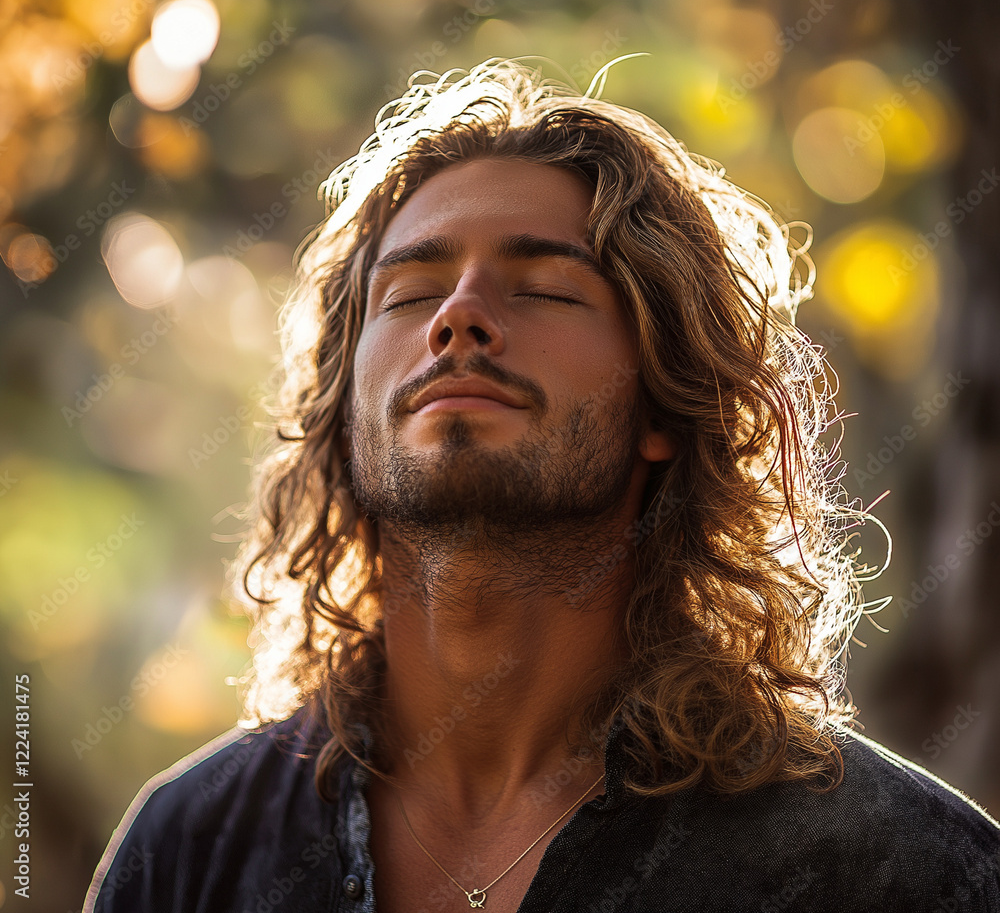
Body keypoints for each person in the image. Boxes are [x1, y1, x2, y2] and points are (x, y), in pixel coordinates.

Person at [85, 57, 1000, 913]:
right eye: (408, 294)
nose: (459, 318)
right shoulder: (190, 850)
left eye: (547, 289)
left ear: (664, 410)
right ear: (342, 409)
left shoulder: (888, 868)